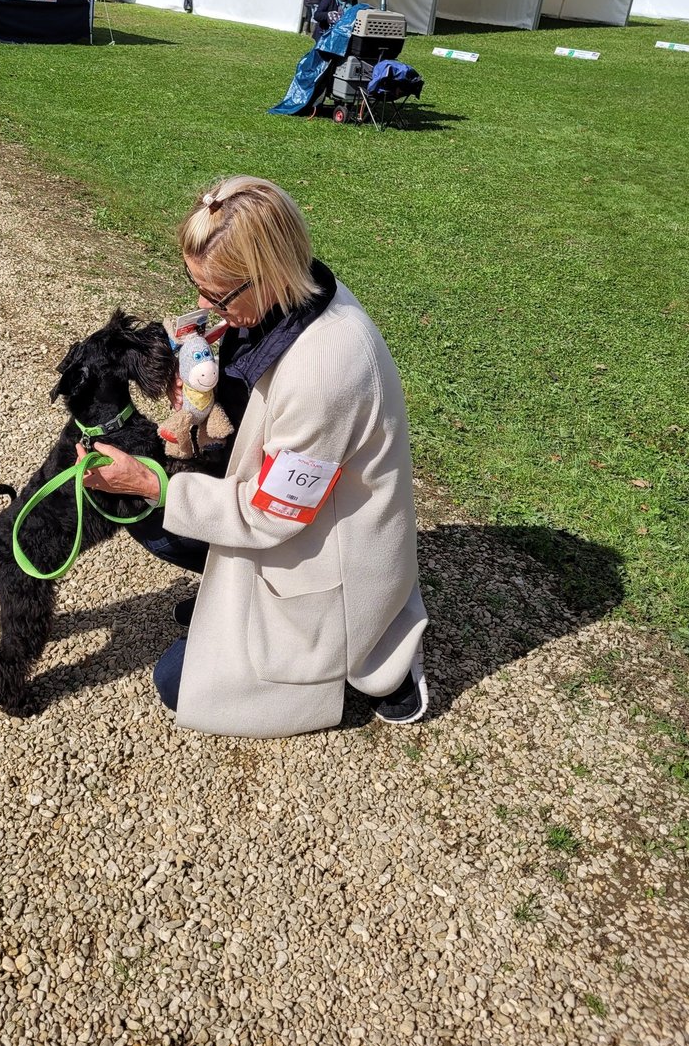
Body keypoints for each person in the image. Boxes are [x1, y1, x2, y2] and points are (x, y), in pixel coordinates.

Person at [78, 176, 428, 738]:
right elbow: (248, 408)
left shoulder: (328, 368)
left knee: (177, 680)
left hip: (320, 545)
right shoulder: (292, 296)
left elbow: (277, 514)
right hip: (287, 506)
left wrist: (155, 484)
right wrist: (192, 392)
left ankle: (377, 658)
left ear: (267, 272)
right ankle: (231, 595)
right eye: (196, 286)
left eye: (216, 295)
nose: (203, 307)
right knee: (141, 515)